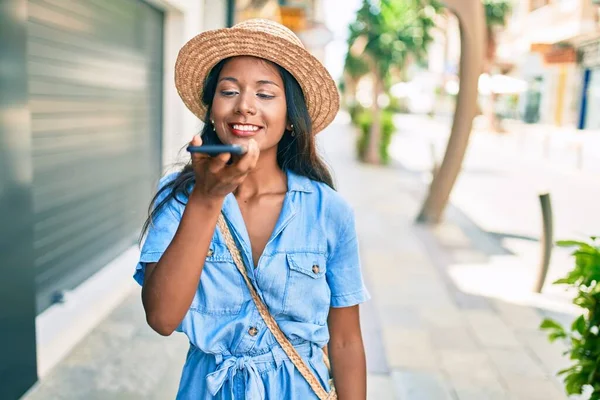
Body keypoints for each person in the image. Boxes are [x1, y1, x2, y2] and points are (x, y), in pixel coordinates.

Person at [134, 19, 370, 400]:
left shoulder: (330, 211)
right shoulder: (180, 197)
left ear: (292, 118)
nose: (244, 106)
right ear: (212, 110)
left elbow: (344, 341)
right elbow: (161, 317)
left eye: (265, 94)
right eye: (229, 91)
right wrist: (207, 199)